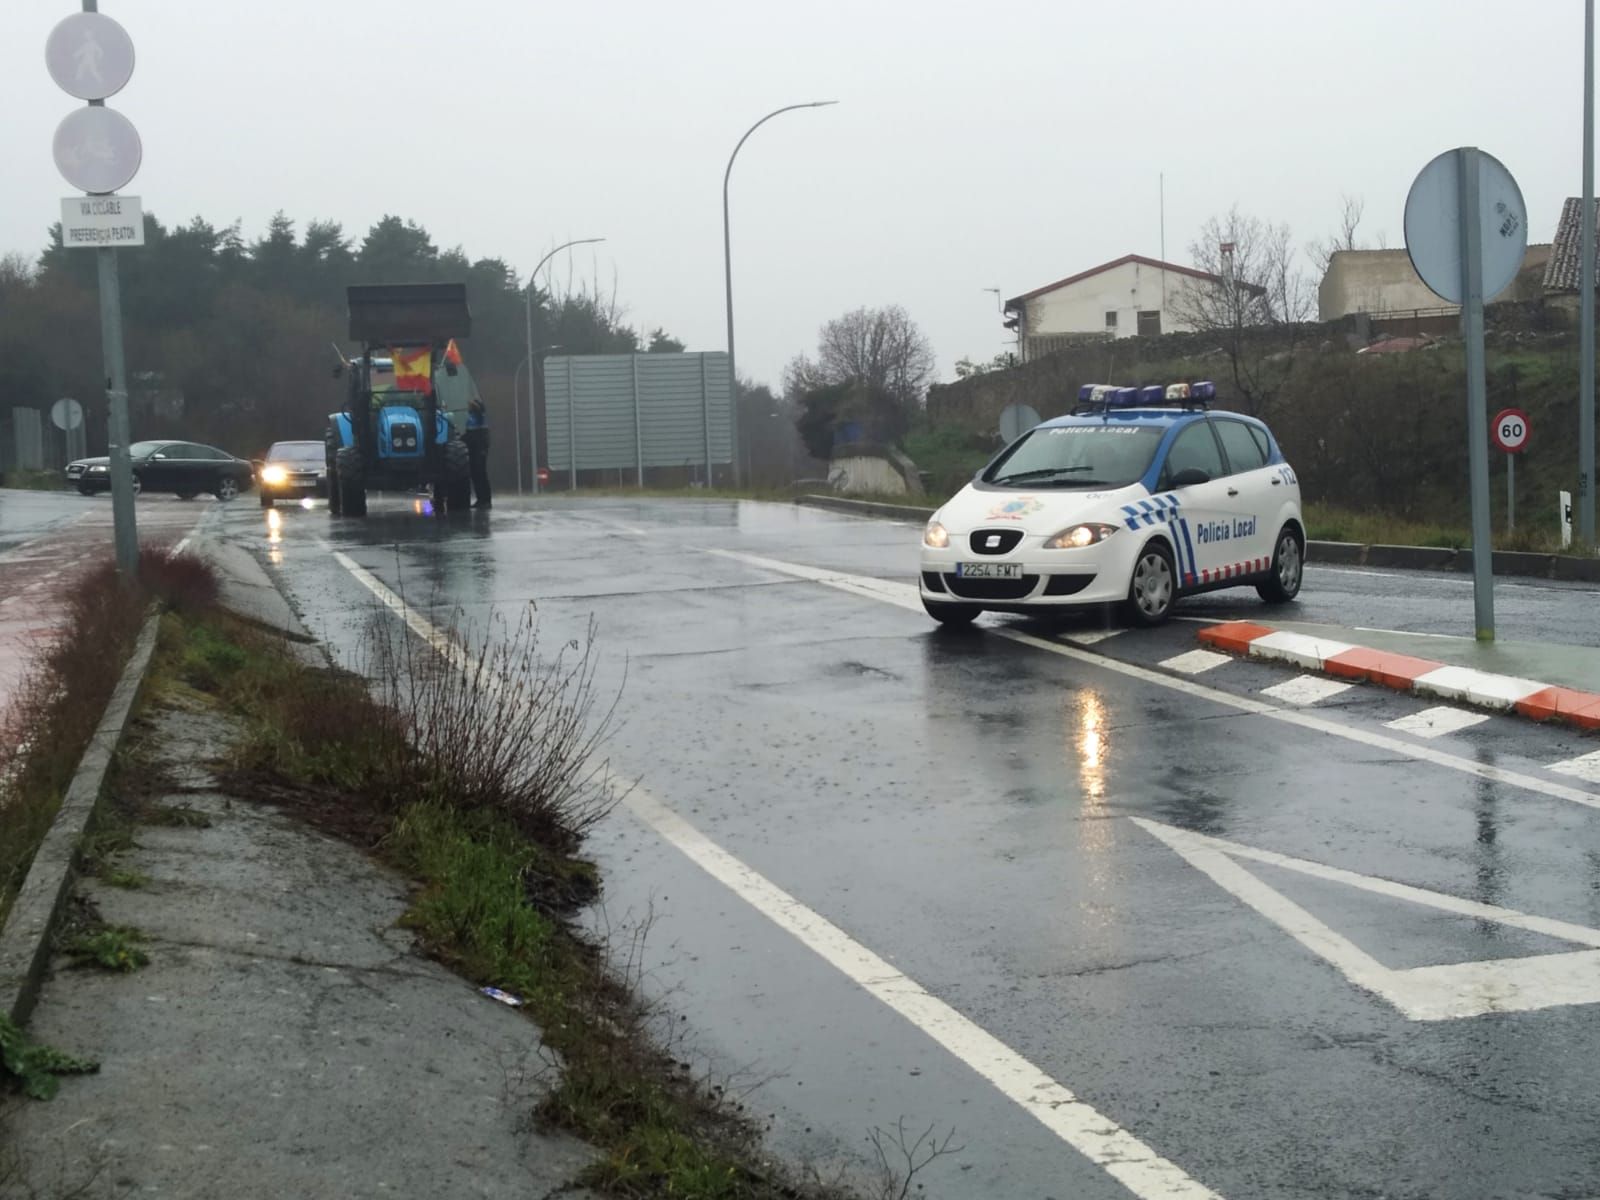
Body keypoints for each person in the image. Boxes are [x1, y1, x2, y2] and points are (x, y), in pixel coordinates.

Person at [465, 395, 491, 509]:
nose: (469, 408)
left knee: (480, 476)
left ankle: (485, 500)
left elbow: (475, 436)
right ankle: (481, 500)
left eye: (471, 406)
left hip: (478, 452)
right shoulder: (473, 418)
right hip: (475, 451)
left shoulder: (478, 418)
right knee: (477, 476)